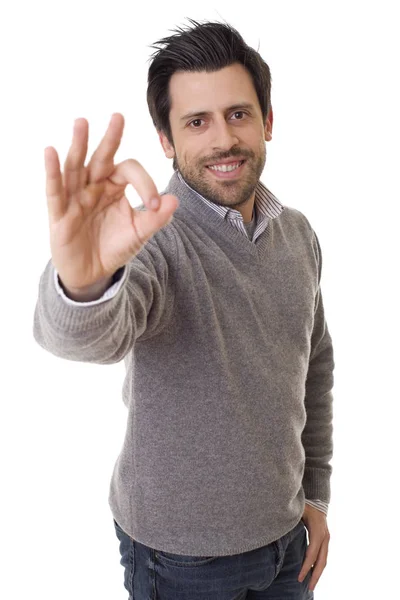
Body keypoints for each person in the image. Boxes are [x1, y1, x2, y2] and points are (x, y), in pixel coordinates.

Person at [33, 18, 334, 600]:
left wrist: (315, 496)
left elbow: (313, 368)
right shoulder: (154, 243)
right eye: (197, 122)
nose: (223, 139)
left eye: (238, 114)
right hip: (181, 561)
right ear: (167, 141)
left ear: (267, 122)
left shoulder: (298, 236)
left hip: (286, 541)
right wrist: (83, 277)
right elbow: (85, 338)